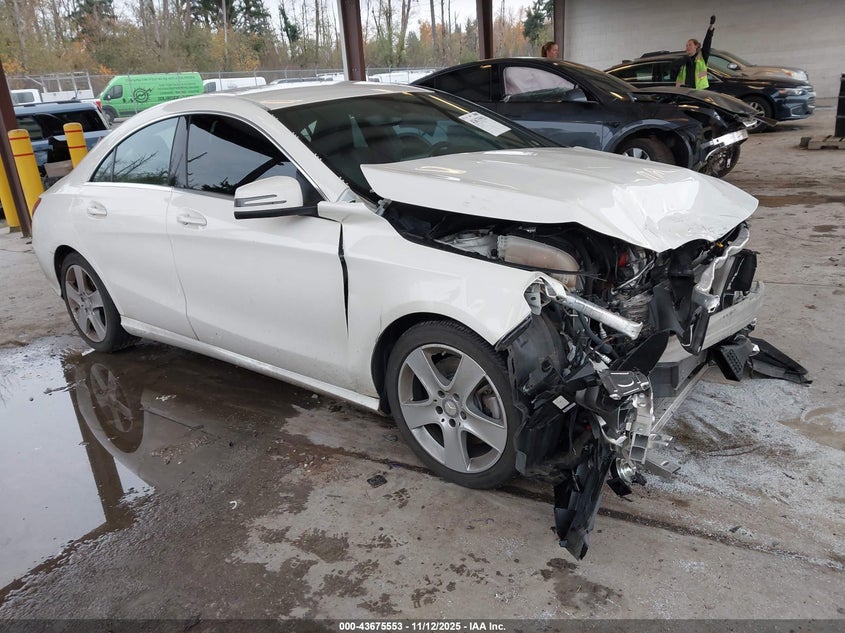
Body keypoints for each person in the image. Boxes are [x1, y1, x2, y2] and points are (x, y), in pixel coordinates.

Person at [672, 15, 716, 89]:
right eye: (686, 45)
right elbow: (674, 70)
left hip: (699, 91)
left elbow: (707, 43)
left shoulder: (702, 57)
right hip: (685, 91)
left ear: (696, 46)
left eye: (690, 45)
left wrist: (711, 27)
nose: (687, 47)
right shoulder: (683, 59)